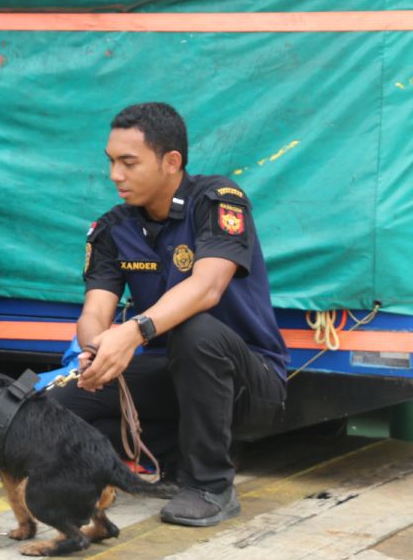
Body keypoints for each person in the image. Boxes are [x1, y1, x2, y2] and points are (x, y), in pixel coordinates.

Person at [49, 102, 287, 527]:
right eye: (110, 162)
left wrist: (134, 332)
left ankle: (210, 485)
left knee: (195, 331)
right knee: (56, 406)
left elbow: (207, 287)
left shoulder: (217, 201)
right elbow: (95, 311)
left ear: (171, 161)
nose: (114, 176)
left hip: (249, 383)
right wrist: (96, 348)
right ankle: (173, 462)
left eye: (128, 163)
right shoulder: (113, 227)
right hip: (171, 375)